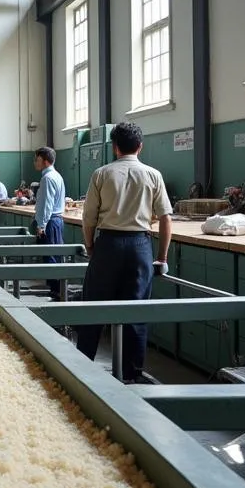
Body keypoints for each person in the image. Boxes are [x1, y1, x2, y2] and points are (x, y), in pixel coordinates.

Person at [76, 122, 173, 383]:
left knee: (94, 308)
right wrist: (161, 258)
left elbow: (88, 218)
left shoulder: (101, 174)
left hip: (108, 243)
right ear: (140, 146)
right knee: (136, 311)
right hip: (140, 246)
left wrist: (91, 246)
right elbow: (165, 219)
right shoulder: (153, 175)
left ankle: (81, 370)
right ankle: (132, 374)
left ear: (115, 147)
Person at [32, 147, 66, 301]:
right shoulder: (56, 175)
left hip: (50, 222)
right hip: (55, 221)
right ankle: (57, 291)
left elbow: (47, 204)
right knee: (54, 256)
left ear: (45, 161)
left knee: (51, 258)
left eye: (37, 159)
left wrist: (41, 225)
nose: (35, 162)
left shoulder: (48, 178)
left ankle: (56, 293)